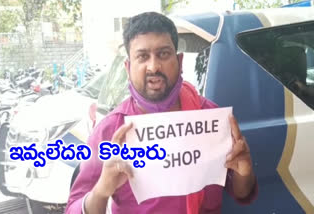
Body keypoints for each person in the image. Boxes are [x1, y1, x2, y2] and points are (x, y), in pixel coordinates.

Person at [65, 12, 257, 214]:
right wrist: (102, 189)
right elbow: (73, 210)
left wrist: (244, 171)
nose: (153, 66)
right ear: (128, 67)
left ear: (180, 61)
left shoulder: (211, 118)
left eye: (163, 54)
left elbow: (242, 194)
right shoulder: (110, 131)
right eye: (142, 56)